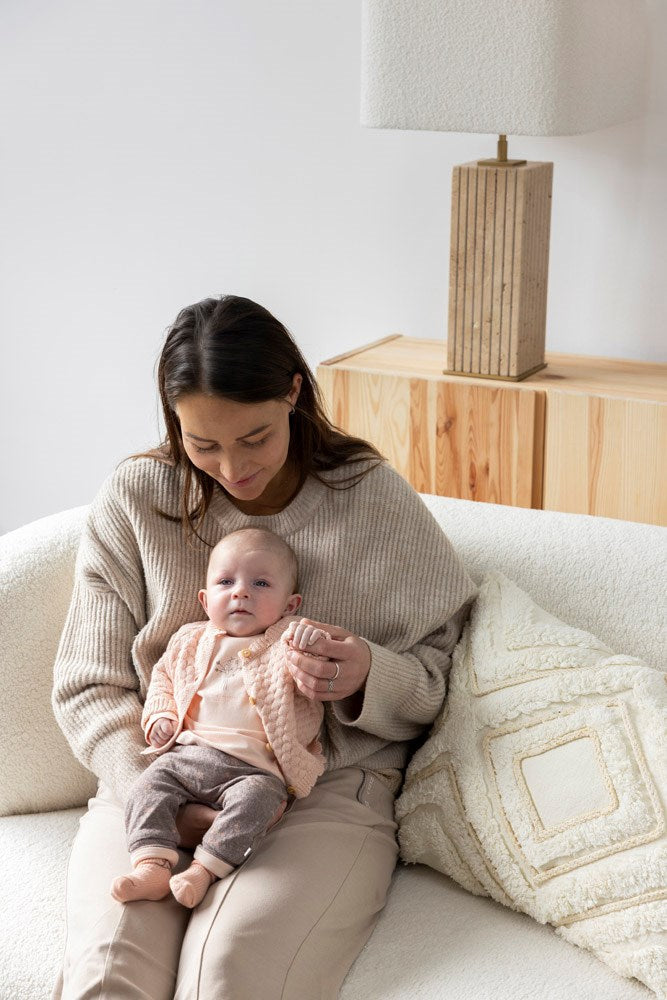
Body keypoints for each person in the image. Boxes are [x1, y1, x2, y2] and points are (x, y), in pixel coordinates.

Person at [52, 294, 477, 1000]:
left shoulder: (368, 498)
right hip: (156, 776)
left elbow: (441, 678)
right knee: (107, 973)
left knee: (229, 974)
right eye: (202, 443)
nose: (232, 468)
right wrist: (149, 796)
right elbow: (86, 685)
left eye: (253, 437)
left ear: (293, 393)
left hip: (322, 791)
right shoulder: (136, 499)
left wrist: (370, 674)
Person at [111, 527, 330, 909]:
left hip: (254, 768)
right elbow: (162, 678)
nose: (241, 592)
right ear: (205, 598)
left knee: (259, 801)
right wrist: (160, 714)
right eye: (226, 582)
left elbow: (314, 686)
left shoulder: (287, 643)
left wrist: (313, 649)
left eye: (261, 583)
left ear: (290, 605)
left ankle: (203, 871)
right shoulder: (189, 640)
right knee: (147, 787)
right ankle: (151, 866)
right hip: (187, 755)